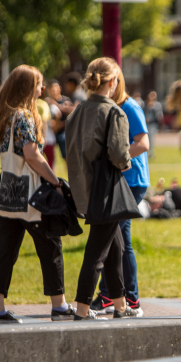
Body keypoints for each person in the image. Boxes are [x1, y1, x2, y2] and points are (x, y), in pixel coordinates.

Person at [0, 65, 73, 324]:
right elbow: (32, 155)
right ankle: (59, 305)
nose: (42, 88)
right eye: (39, 84)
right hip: (30, 192)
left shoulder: (3, 114)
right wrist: (54, 181)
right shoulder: (24, 116)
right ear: (27, 87)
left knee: (5, 248)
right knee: (50, 244)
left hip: (6, 189)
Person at [65, 57, 131, 321]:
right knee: (97, 253)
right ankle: (82, 309)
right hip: (106, 191)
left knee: (116, 247)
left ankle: (121, 307)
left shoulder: (78, 110)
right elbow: (120, 155)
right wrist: (125, 163)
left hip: (83, 186)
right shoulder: (114, 111)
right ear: (113, 82)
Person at [91, 72, 150, 318]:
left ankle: (128, 297)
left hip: (131, 181)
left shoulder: (129, 106)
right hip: (115, 180)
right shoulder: (106, 107)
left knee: (120, 239)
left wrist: (116, 160)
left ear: (114, 83)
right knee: (113, 238)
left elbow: (143, 143)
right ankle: (112, 294)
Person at [46, 79, 74, 167]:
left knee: (66, 157)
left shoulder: (66, 100)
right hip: (50, 133)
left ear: (60, 89)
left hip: (63, 132)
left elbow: (72, 115)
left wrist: (61, 124)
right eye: (51, 88)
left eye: (55, 87)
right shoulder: (47, 102)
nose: (53, 90)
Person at [144, 91, 163, 160]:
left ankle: (151, 153)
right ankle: (145, 152)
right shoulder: (145, 104)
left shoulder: (157, 105)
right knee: (146, 138)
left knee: (151, 138)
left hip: (153, 124)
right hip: (146, 124)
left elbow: (159, 115)